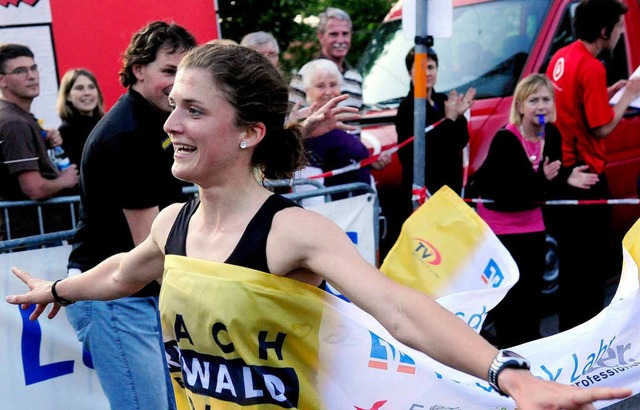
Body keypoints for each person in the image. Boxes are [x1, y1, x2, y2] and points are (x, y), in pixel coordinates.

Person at [6, 43, 632, 410]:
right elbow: (121, 271)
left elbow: (400, 309)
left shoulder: (291, 232)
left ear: (250, 133)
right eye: (173, 107)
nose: (170, 124)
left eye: (193, 110)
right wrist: (57, 292)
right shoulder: (174, 223)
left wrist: (512, 377)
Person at [63, 22, 196, 410]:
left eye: (184, 74)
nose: (177, 85)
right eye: (169, 72)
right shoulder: (128, 133)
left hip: (139, 288)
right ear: (139, 69)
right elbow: (149, 244)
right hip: (116, 294)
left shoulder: (159, 120)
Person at [470, 74, 599, 348]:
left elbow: (545, 183)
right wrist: (546, 180)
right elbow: (515, 193)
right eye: (533, 100)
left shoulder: (551, 133)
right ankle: (505, 351)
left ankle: (533, 349)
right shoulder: (506, 139)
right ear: (519, 106)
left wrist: (564, 177)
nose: (541, 107)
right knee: (509, 297)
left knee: (532, 293)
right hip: (500, 223)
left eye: (546, 100)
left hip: (531, 222)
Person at [545, 0, 640, 331]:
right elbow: (600, 127)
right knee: (590, 272)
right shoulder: (592, 66)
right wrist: (628, 96)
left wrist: (607, 92)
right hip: (587, 176)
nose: (617, 35)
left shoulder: (562, 57)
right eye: (616, 28)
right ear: (604, 31)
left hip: (566, 174)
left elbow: (568, 105)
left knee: (573, 269)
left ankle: (570, 336)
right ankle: (589, 341)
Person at [385, 48, 474, 257]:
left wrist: (459, 117)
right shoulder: (407, 108)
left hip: (448, 189)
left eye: (431, 67)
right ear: (410, 73)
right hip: (423, 193)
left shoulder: (445, 100)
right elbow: (413, 154)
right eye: (420, 68)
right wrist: (450, 120)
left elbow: (460, 141)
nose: (427, 73)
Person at [0, 43, 79, 238]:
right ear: (2, 80)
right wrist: (65, 180)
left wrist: (44, 141)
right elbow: (33, 189)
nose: (31, 76)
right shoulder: (14, 123)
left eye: (33, 68)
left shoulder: (18, 117)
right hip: (30, 236)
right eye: (20, 71)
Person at [296, 59, 390, 200]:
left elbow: (344, 162)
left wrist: (367, 164)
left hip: (361, 210)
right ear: (307, 91)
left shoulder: (342, 125)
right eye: (320, 86)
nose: (328, 92)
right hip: (337, 215)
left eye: (333, 85)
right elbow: (310, 191)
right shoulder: (309, 134)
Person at [289, 7, 363, 109]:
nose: (340, 40)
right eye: (334, 34)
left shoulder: (355, 78)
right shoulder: (304, 74)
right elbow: (291, 121)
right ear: (320, 37)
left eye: (345, 34)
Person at [56, 68, 105, 166]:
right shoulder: (66, 132)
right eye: (79, 88)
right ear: (67, 96)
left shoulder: (106, 124)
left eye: (91, 87)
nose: (87, 93)